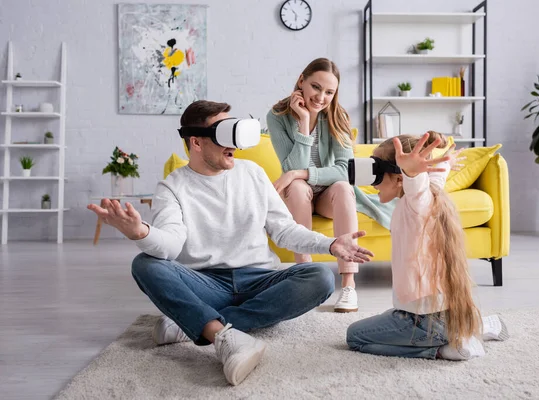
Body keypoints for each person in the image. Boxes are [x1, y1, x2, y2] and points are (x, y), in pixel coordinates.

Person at [87, 100, 374, 386]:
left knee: (320, 277)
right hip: (205, 285)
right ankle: (224, 336)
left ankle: (197, 325)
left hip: (260, 281)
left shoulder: (252, 173)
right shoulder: (172, 187)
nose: (234, 143)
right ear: (196, 143)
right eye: (223, 133)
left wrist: (331, 244)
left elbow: (284, 230)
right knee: (145, 264)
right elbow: (171, 247)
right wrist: (141, 232)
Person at [346, 132, 509, 360]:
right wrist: (444, 164)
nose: (373, 183)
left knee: (355, 336)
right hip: (448, 315)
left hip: (424, 322)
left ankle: (442, 349)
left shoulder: (416, 205)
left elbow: (417, 186)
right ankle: (477, 326)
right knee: (389, 316)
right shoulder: (431, 197)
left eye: (377, 173)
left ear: (400, 178)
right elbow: (433, 180)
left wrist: (412, 172)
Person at [267, 57, 395, 313]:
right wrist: (304, 122)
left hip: (328, 194)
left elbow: (343, 171)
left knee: (343, 188)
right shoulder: (277, 116)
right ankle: (305, 276)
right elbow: (292, 167)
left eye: (329, 92)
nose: (321, 97)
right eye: (316, 87)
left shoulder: (338, 117)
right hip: (297, 194)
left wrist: (298, 174)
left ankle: (348, 285)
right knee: (298, 187)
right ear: (301, 81)